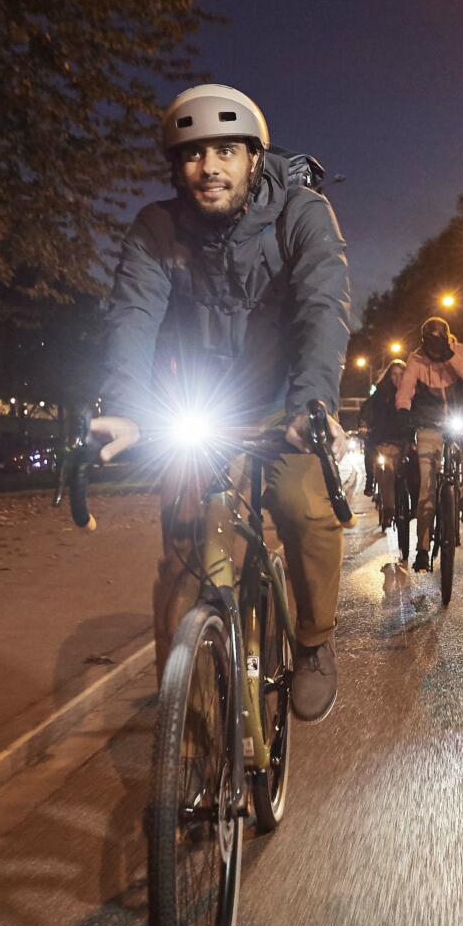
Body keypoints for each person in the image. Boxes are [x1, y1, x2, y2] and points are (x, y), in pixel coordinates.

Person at [91, 84, 351, 723]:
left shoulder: (302, 212)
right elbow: (132, 312)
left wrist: (312, 402)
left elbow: (324, 307)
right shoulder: (157, 227)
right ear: (174, 167)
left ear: (254, 158)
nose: (208, 167)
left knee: (305, 508)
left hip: (285, 405)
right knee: (186, 547)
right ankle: (190, 731)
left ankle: (314, 642)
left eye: (226, 151)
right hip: (200, 409)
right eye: (192, 155)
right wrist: (122, 404)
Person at [395, 316, 463, 571]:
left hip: (459, 420)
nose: (433, 347)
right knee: (427, 488)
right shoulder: (416, 358)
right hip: (429, 424)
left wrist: (449, 356)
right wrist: (403, 409)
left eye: (439, 341)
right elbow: (406, 389)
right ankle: (422, 549)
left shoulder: (460, 350)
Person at [363, 359, 413, 527]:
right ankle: (389, 510)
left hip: (406, 442)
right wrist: (365, 427)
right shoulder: (381, 396)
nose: (398, 378)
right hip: (385, 441)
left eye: (402, 374)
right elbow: (371, 415)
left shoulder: (414, 393)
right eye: (394, 374)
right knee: (387, 470)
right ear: (389, 376)